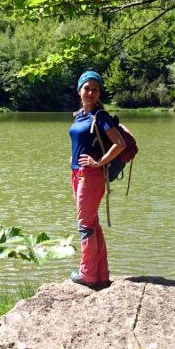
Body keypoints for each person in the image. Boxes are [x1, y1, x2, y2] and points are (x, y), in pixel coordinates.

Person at [69, 70, 125, 289]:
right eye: (87, 88)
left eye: (95, 89)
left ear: (99, 92)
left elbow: (119, 143)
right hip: (77, 174)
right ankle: (101, 273)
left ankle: (88, 273)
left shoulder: (100, 116)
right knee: (92, 223)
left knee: (84, 224)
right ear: (79, 90)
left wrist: (99, 162)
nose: (91, 92)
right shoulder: (81, 115)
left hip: (90, 176)